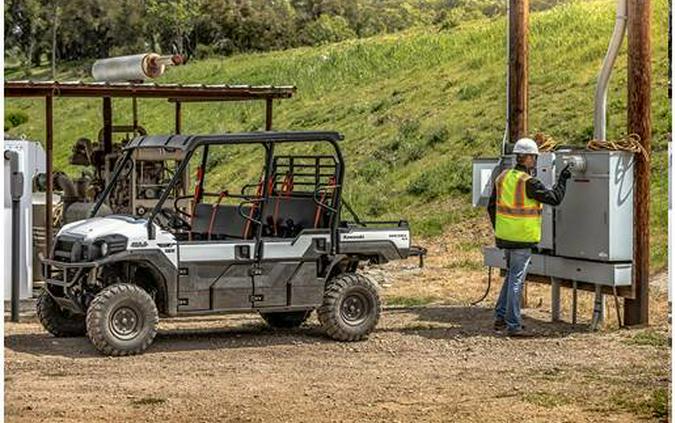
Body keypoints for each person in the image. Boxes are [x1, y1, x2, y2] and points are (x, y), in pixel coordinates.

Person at [487, 137, 572, 337]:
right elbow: (555, 198)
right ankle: (513, 325)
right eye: (534, 157)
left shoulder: (503, 177)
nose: (535, 161)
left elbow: (491, 206)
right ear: (526, 158)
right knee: (517, 279)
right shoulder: (529, 182)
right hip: (522, 239)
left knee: (511, 276)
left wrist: (500, 229)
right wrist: (563, 178)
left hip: (505, 237)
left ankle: (500, 316)